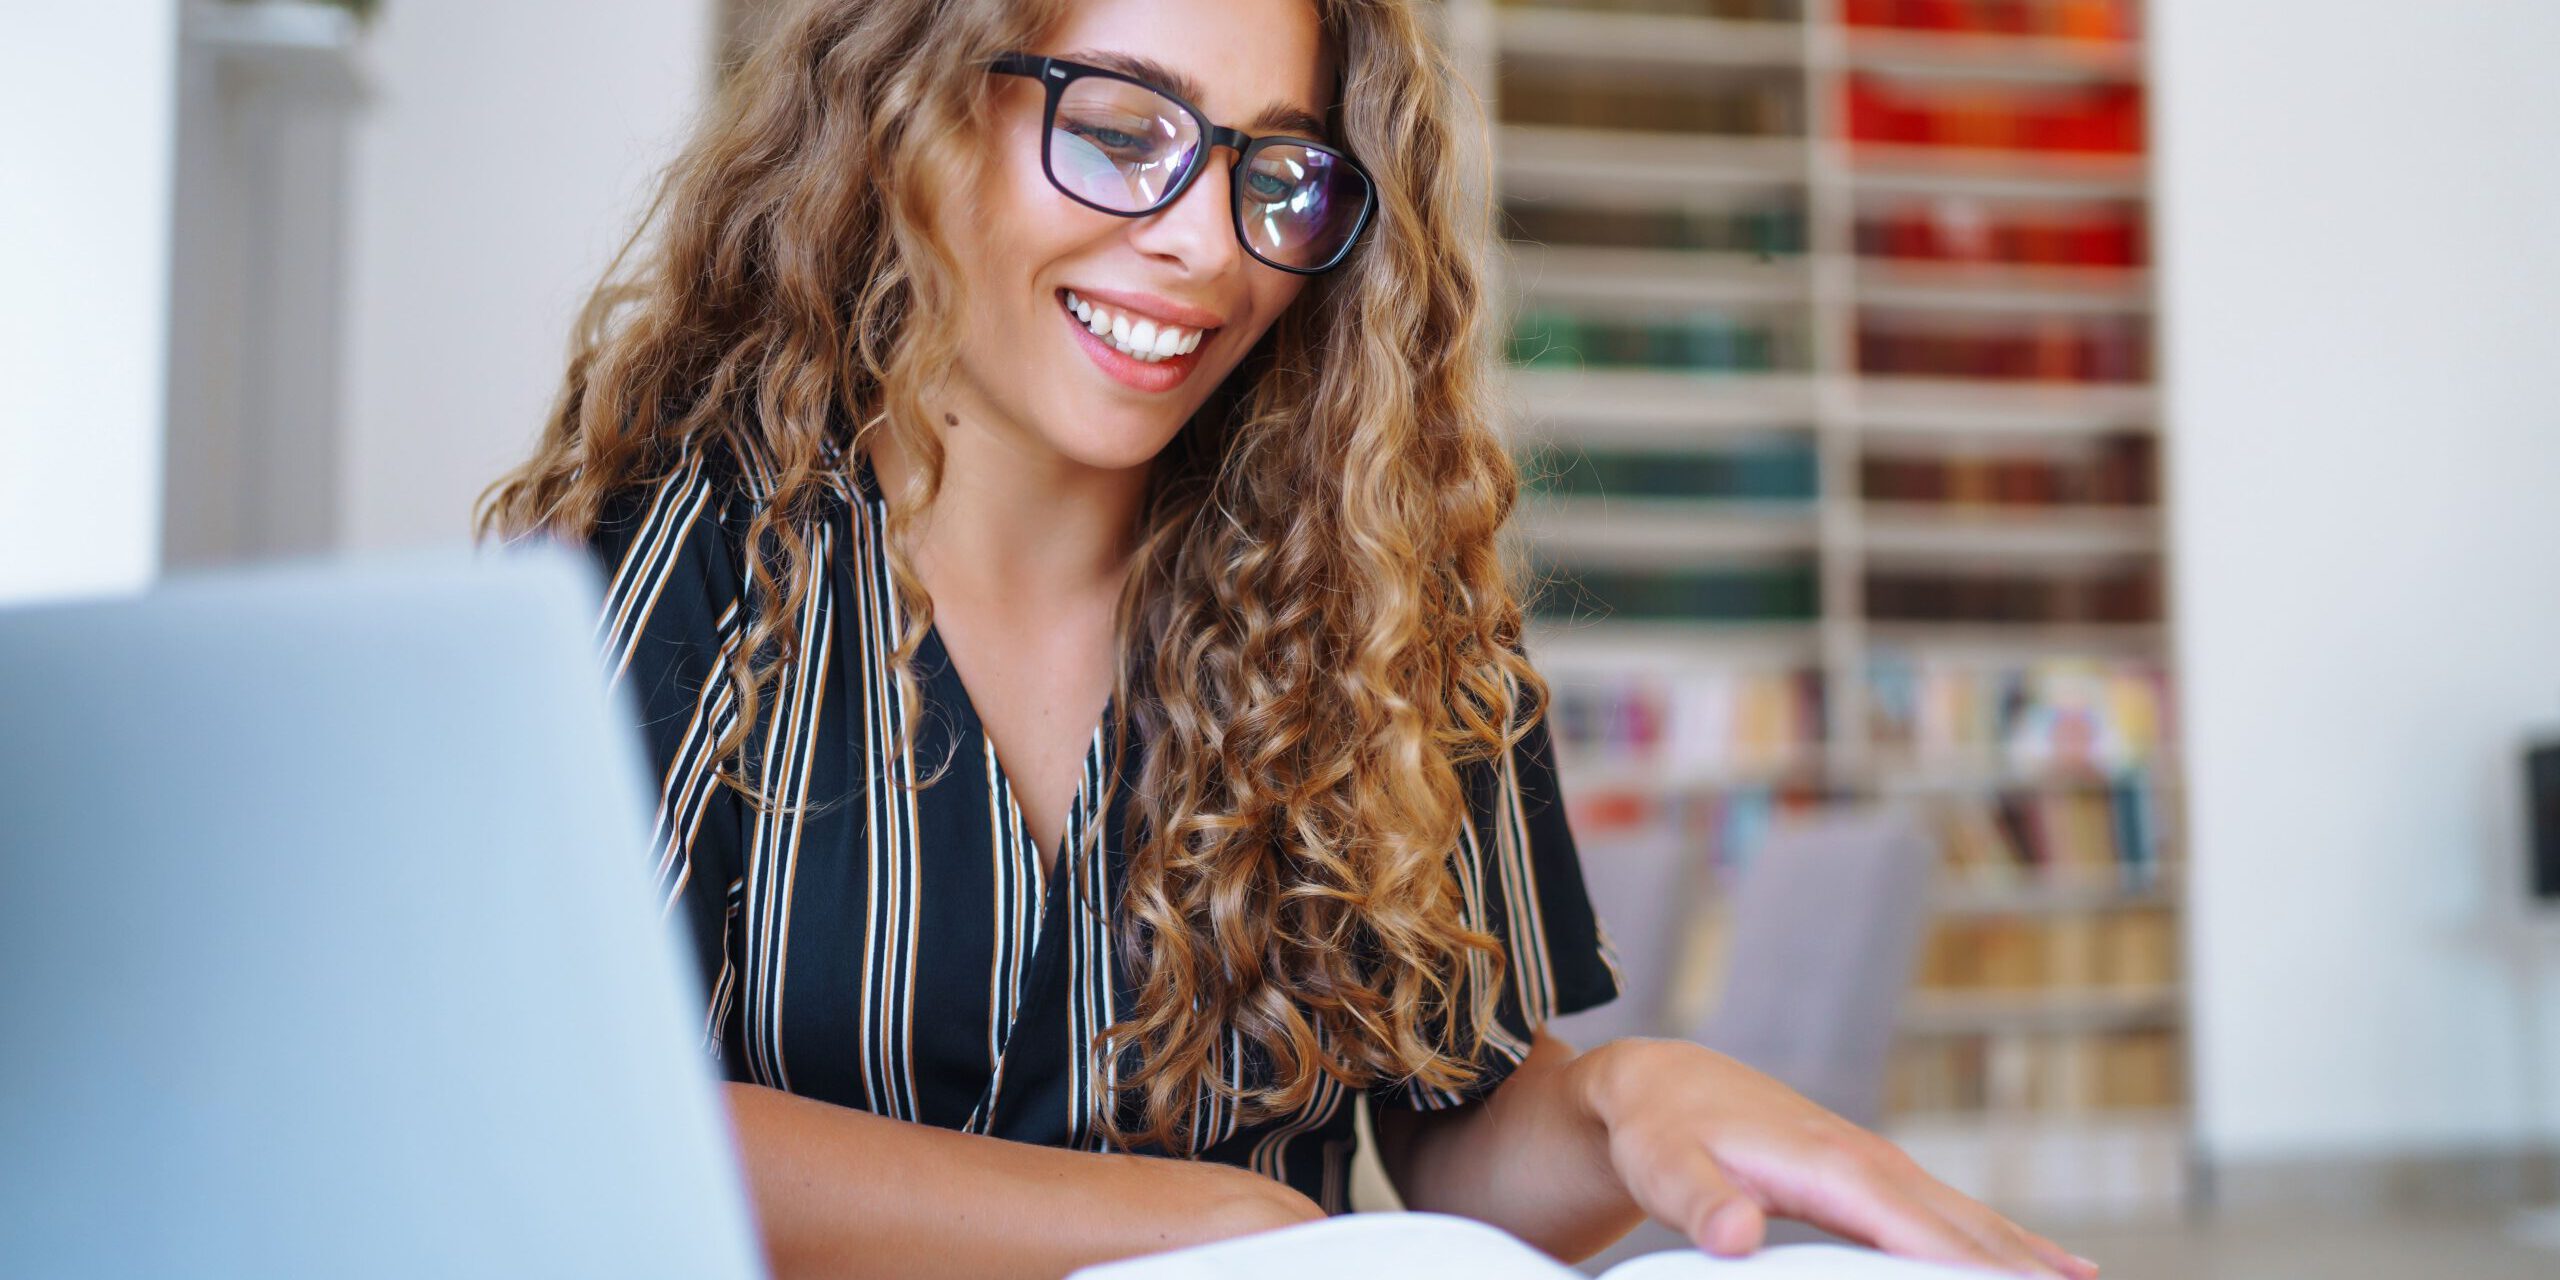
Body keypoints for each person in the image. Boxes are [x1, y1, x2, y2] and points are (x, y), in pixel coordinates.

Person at [478, 1, 2100, 1277]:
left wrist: (1618, 1106)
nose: (1204, 242)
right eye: (1119, 134)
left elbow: (1456, 1141)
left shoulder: (1383, 593)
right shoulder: (682, 565)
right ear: (918, 110)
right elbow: (572, 1128)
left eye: (1276, 171)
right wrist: (1207, 1230)